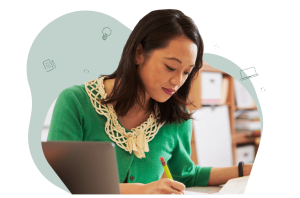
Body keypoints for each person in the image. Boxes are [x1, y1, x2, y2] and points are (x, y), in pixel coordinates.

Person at [47, 9, 254, 195]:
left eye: (186, 72)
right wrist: (141, 190)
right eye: (170, 67)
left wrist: (243, 170)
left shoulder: (176, 117)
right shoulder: (75, 102)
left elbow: (185, 175)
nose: (177, 81)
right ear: (139, 54)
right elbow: (61, 181)